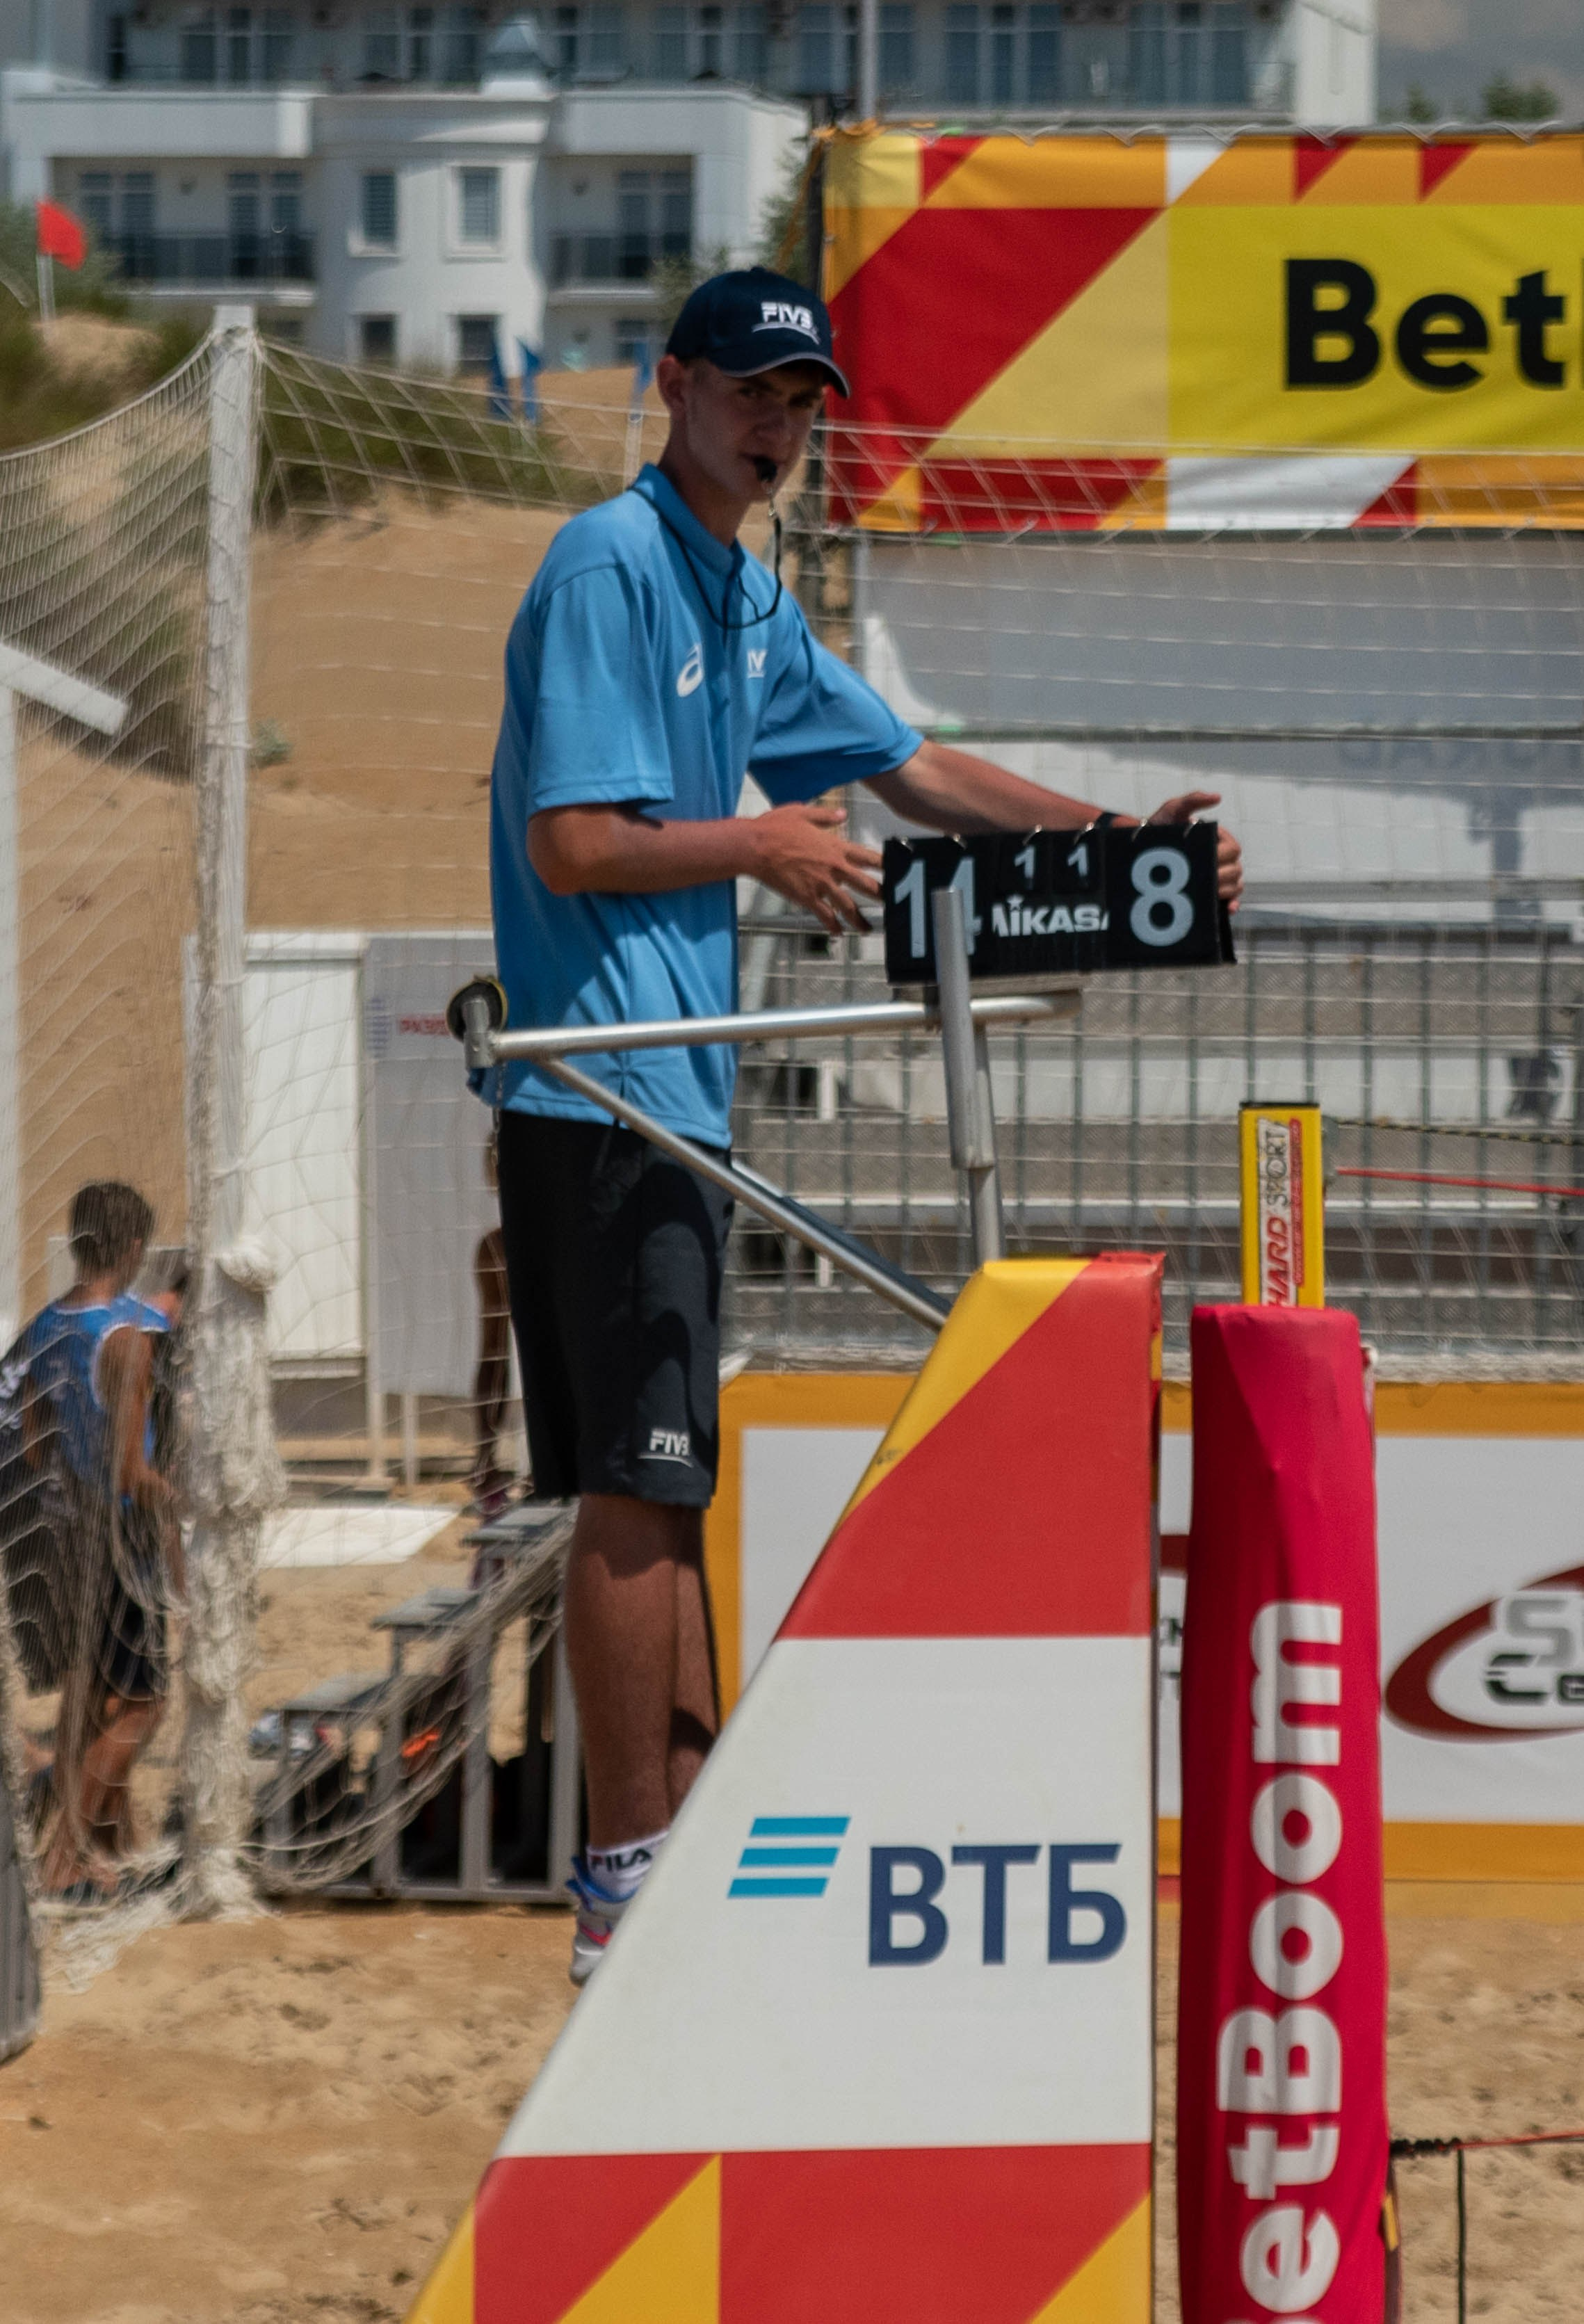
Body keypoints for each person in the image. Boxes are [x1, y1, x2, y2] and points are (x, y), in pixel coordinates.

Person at [487, 265, 1244, 1985]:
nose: (776, 424)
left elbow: (913, 769)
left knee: (670, 1481)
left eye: (799, 400)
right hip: (601, 1081)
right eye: (749, 390)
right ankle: (622, 1881)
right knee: (632, 1485)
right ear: (670, 385)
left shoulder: (739, 593)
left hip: (670, 1085)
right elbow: (575, 846)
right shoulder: (611, 560)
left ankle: (668, 1853)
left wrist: (1127, 840)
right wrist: (761, 843)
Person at [11, 1184, 182, 1899]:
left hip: (70, 1528)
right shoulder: (129, 1338)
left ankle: (101, 1842)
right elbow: (135, 1469)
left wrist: (70, 1488)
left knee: (90, 1694)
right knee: (144, 1707)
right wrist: (176, 1507)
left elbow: (30, 1439)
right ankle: (63, 1859)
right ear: (135, 1249)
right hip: (122, 1538)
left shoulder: (48, 1325)